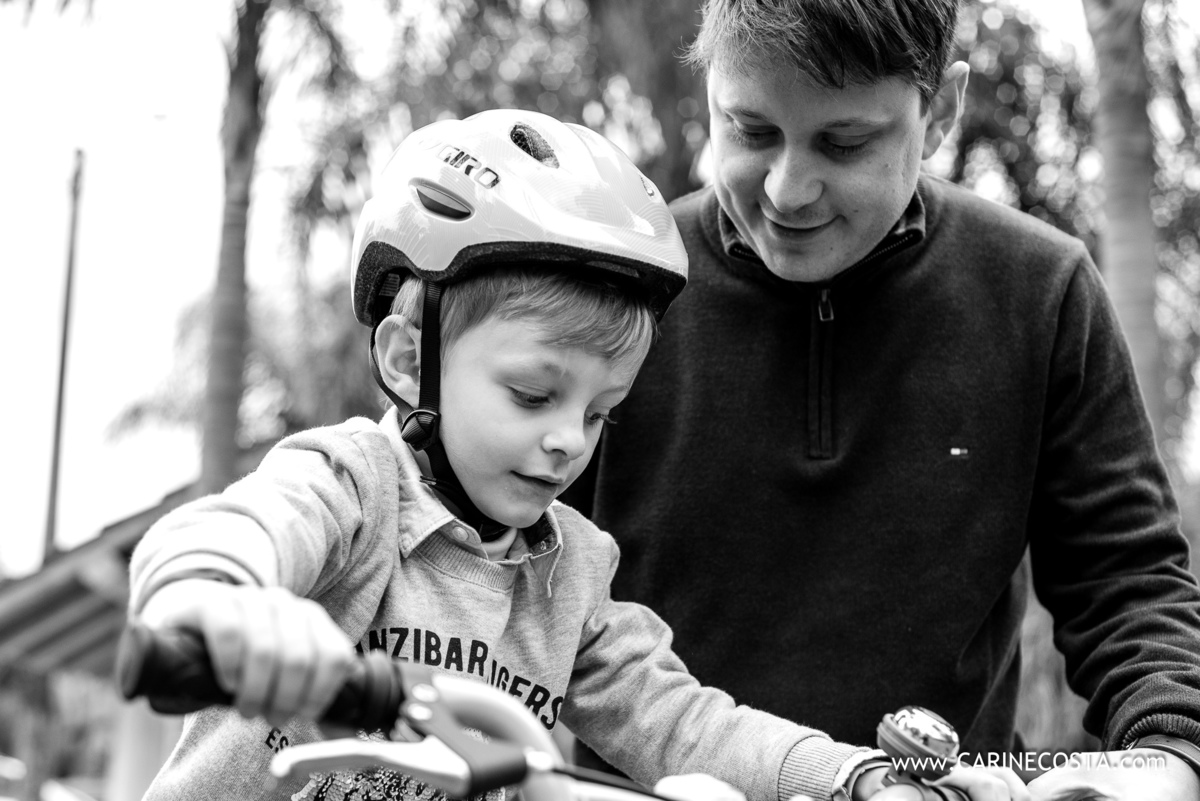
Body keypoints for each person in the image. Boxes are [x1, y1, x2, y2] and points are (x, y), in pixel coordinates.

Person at [126, 109, 1021, 801]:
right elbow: (232, 531)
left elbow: (685, 723)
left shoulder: (572, 578)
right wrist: (219, 602)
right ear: (409, 358)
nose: (567, 438)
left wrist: (855, 778)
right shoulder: (356, 491)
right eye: (531, 394)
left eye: (601, 412)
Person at [560, 1, 1200, 800]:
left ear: (942, 110)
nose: (789, 190)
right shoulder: (612, 294)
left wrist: (1166, 760)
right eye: (751, 131)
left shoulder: (1041, 292)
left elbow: (1132, 592)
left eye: (845, 142)